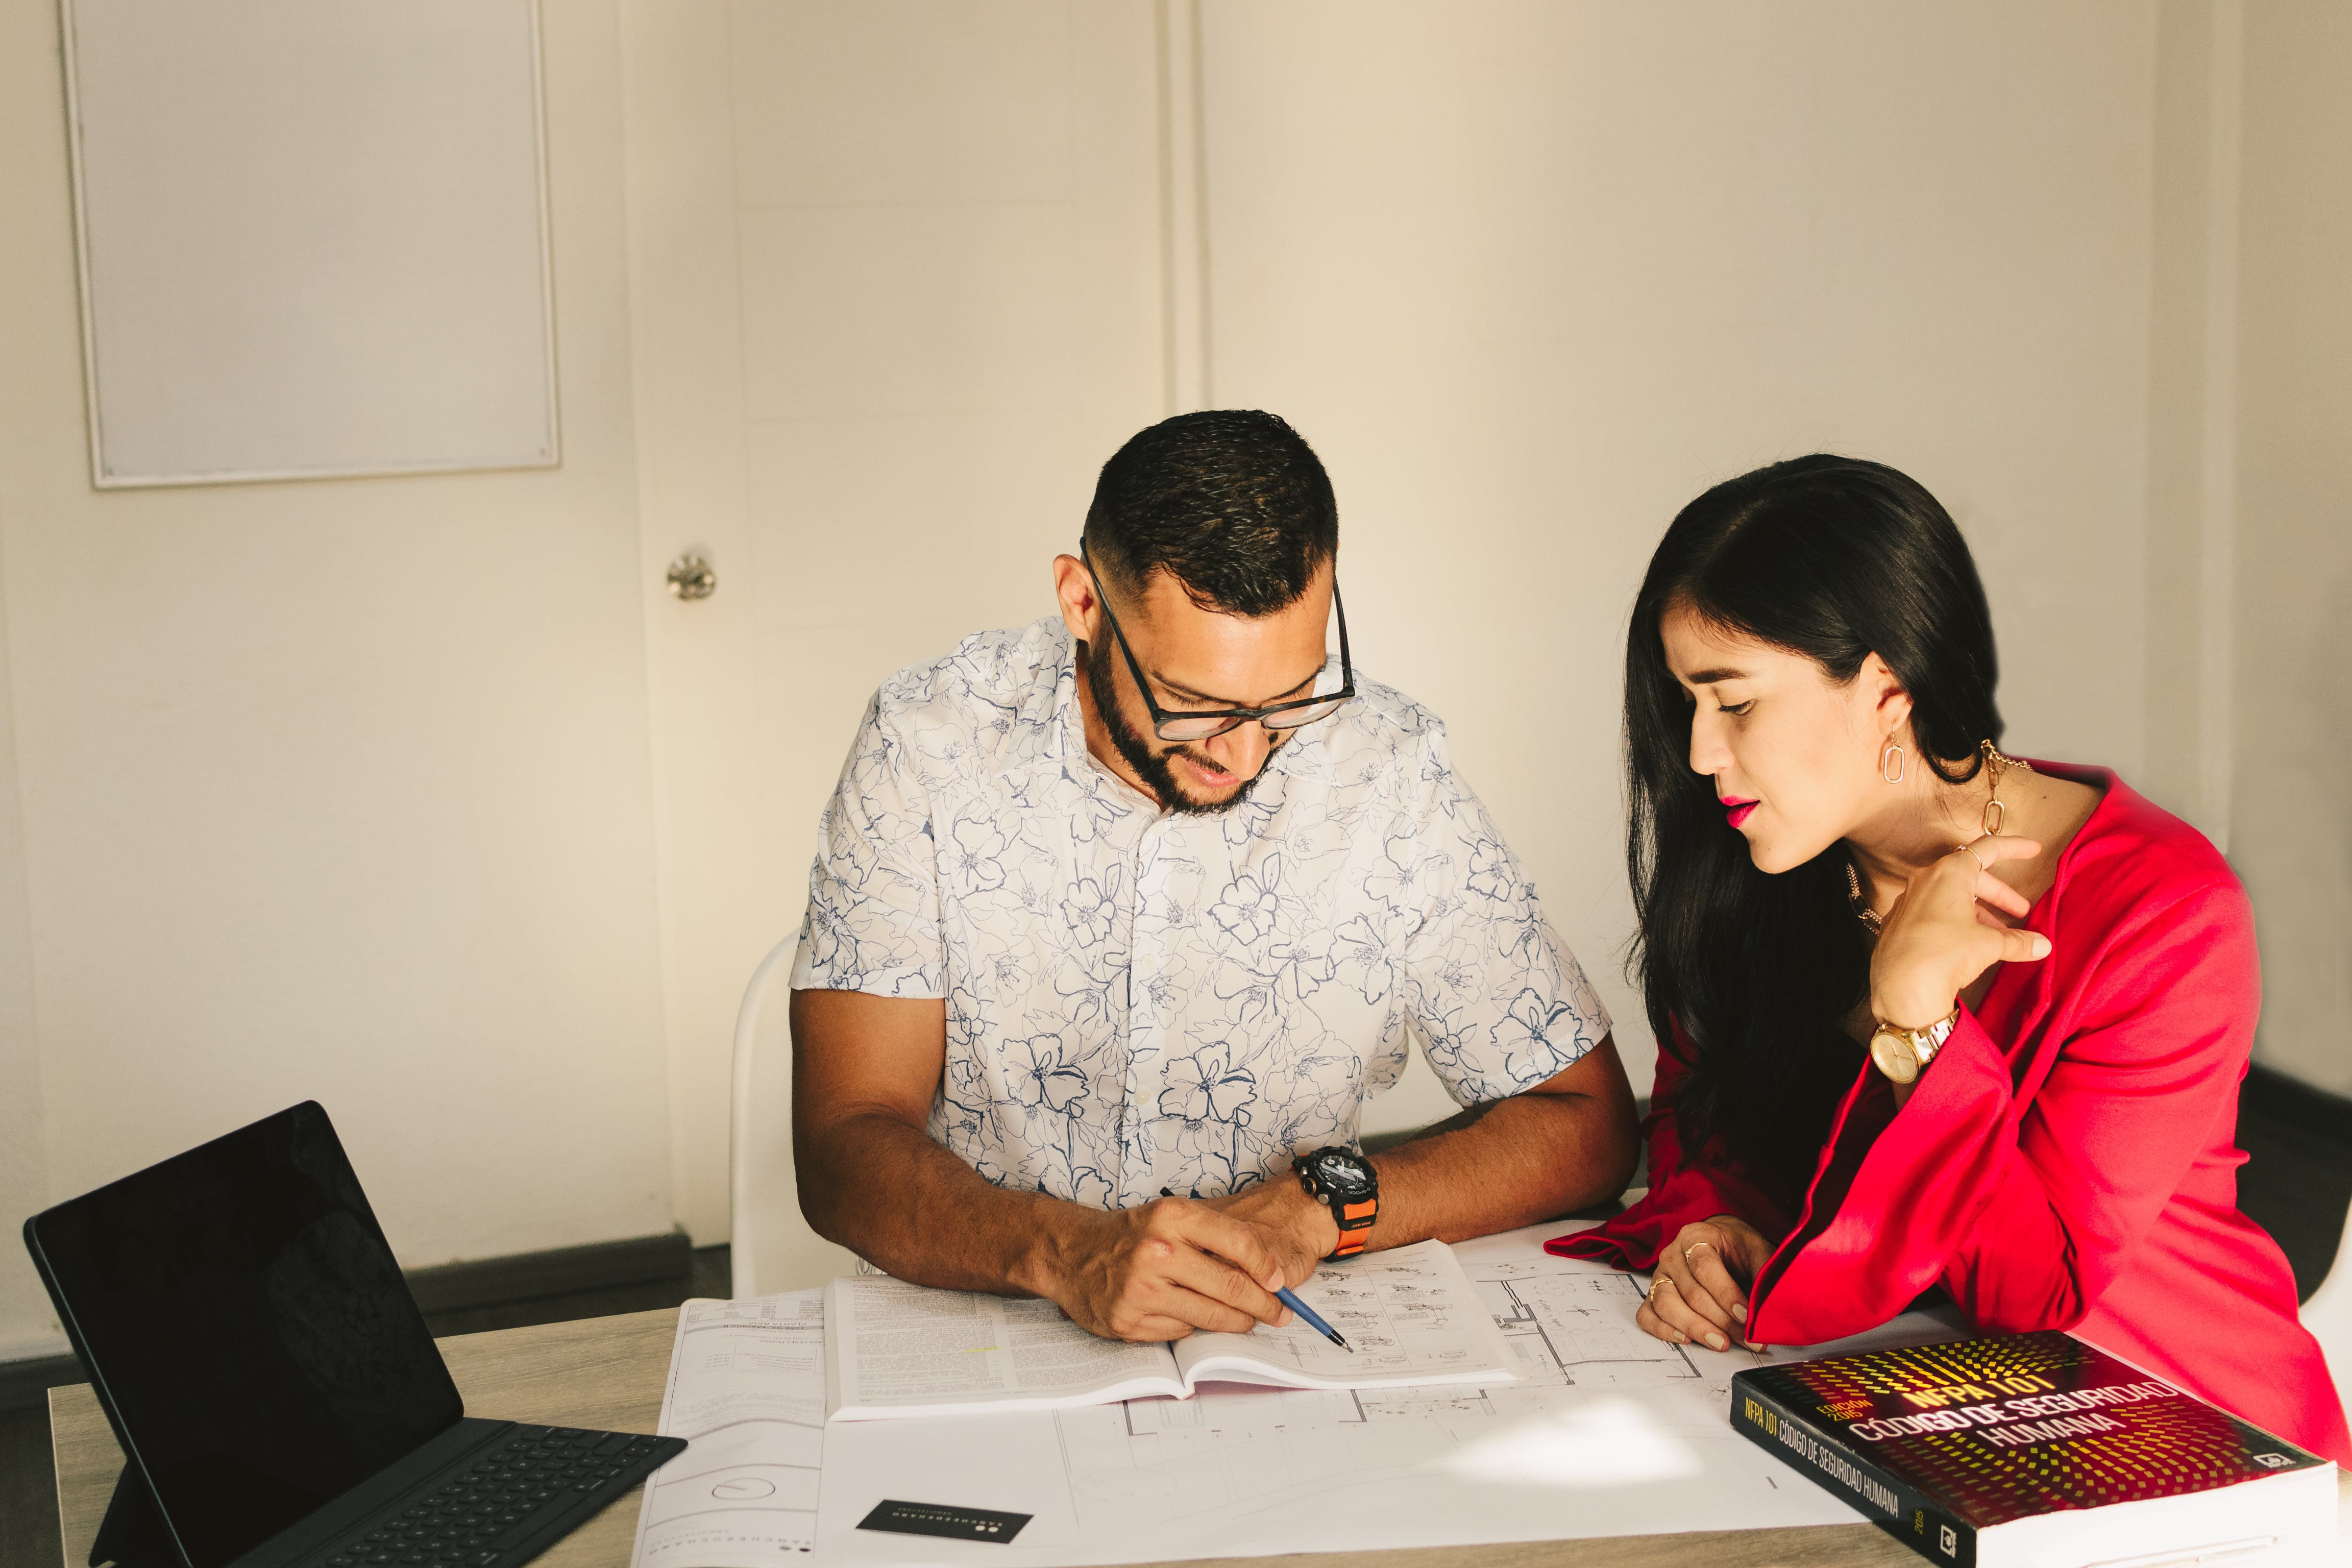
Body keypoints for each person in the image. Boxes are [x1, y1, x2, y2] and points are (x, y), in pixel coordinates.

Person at [1552, 453, 2350, 1462]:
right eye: (1688, 705)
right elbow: (1697, 1118)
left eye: (1737, 704)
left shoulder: (2167, 912)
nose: (1702, 754)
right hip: (1892, 1398)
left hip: (2177, 1433)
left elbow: (2033, 1294)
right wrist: (1712, 1228)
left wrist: (1922, 1023)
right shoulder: (1764, 865)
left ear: (1887, 686)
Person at [791, 410, 1638, 1343]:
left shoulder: (1388, 770)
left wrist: (1317, 1208)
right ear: (1083, 603)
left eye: (1289, 697)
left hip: (1274, 1343)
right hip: (989, 1332)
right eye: (1192, 703)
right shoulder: (926, 743)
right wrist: (1066, 1253)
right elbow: (844, 1139)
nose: (1244, 755)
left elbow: (1587, 1124)